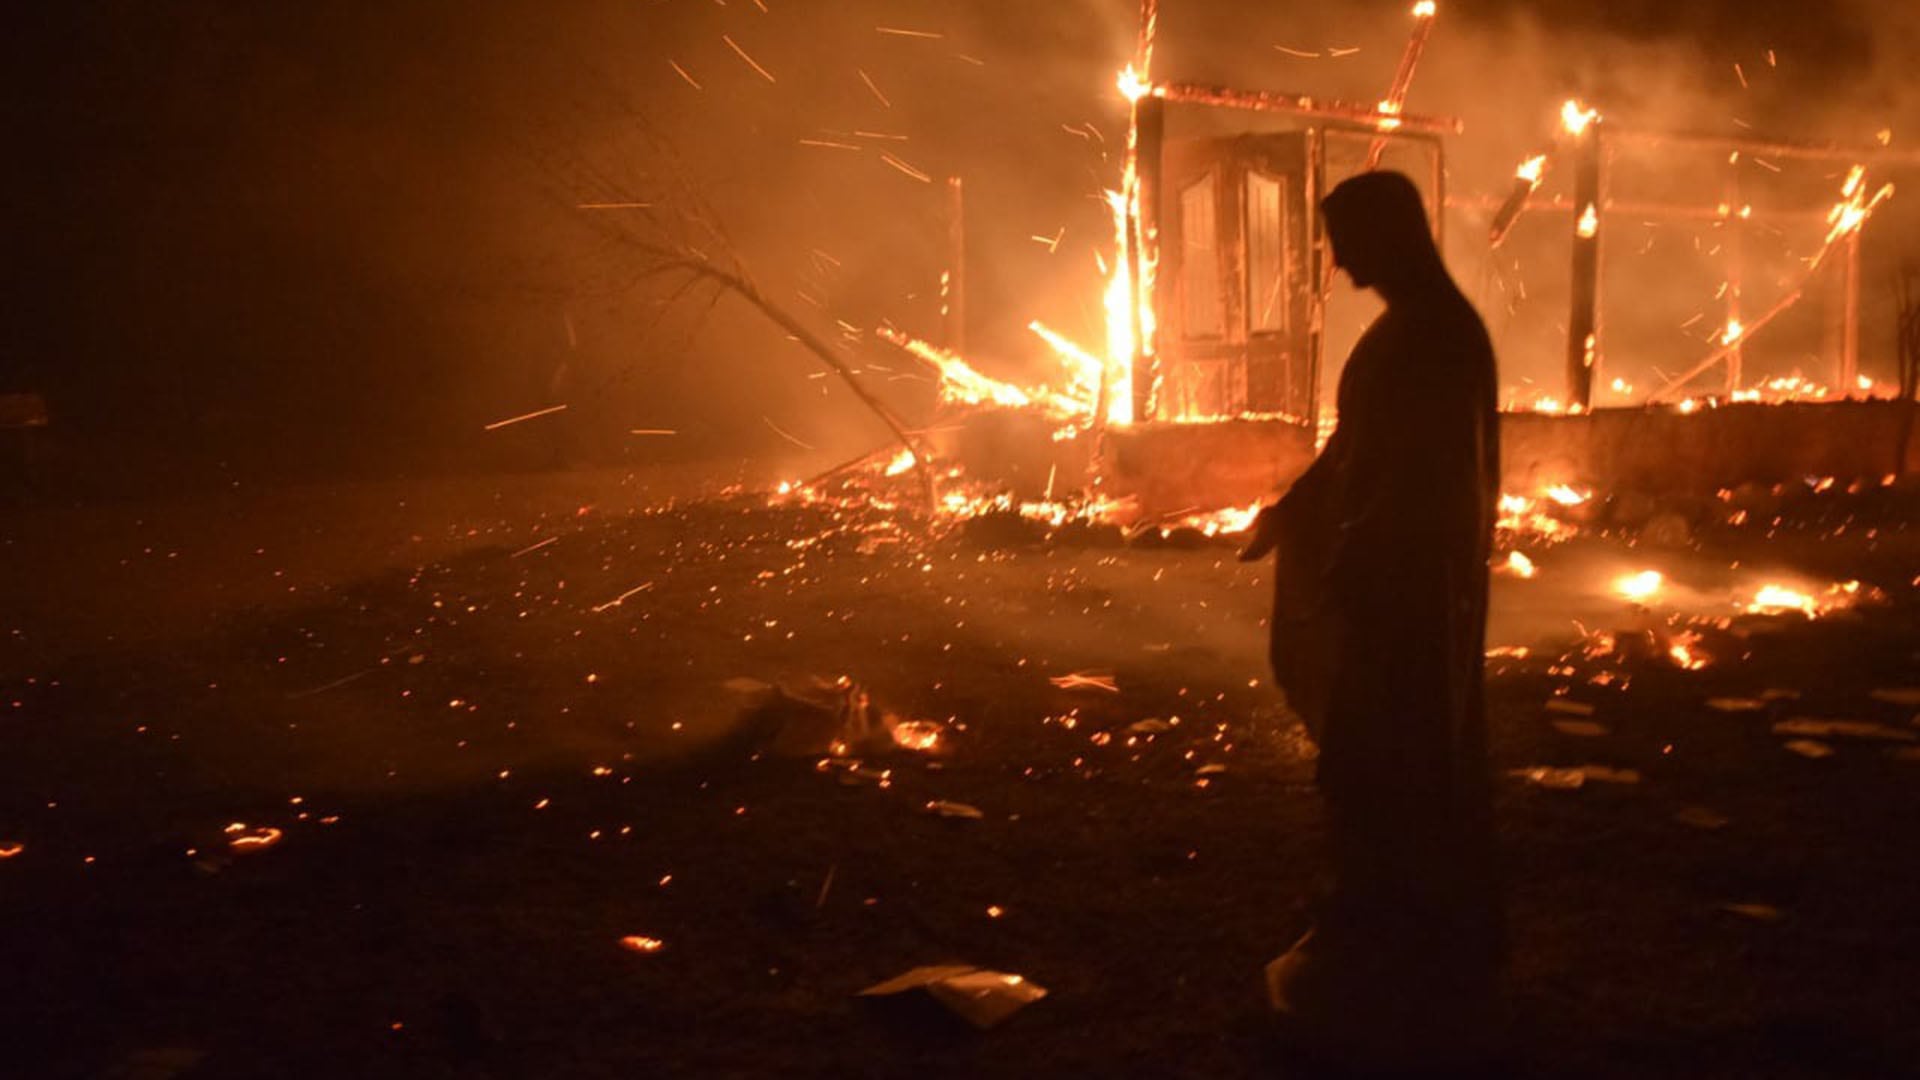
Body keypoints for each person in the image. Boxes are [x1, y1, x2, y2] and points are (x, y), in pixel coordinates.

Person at [1239, 170, 1503, 1071]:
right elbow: (1355, 448)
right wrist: (1295, 510)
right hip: (1386, 587)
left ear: (1391, 234)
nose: (1337, 257)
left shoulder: (1438, 339)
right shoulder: (1408, 333)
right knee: (1368, 767)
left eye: (1345, 236)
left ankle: (1401, 948)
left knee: (1395, 760)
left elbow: (1426, 480)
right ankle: (1373, 926)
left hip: (1410, 602)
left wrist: (1368, 555)